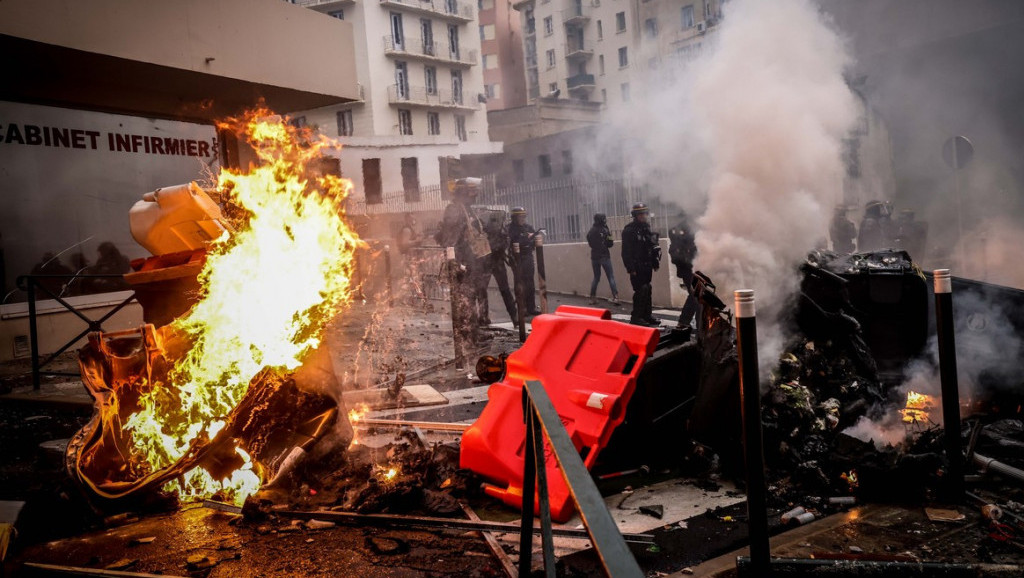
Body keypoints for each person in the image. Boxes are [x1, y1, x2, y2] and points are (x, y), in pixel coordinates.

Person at [436, 178, 491, 345]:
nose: (474, 196)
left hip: (471, 262)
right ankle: (468, 335)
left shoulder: (466, 209)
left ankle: (473, 331)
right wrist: (458, 263)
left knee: (470, 297)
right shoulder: (454, 210)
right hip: (463, 263)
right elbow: (450, 240)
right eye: (471, 192)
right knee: (465, 299)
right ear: (463, 193)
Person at [621, 202, 662, 327]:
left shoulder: (646, 228)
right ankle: (636, 317)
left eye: (645, 213)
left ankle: (647, 315)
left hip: (646, 264)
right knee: (641, 290)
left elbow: (651, 247)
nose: (643, 216)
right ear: (635, 215)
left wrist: (655, 262)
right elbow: (625, 252)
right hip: (636, 265)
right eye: (640, 214)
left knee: (648, 289)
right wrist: (630, 268)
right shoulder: (629, 230)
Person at [481, 210, 517, 323]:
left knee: (483, 290)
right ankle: (514, 316)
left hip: (490, 262)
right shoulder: (500, 232)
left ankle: (484, 317)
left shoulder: (489, 231)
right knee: (504, 290)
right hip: (495, 262)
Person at [508, 207, 542, 316]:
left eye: (524, 216)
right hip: (517, 258)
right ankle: (522, 309)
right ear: (514, 217)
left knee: (530, 283)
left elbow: (534, 240)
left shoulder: (528, 227)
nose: (523, 219)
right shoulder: (510, 229)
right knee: (520, 283)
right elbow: (515, 242)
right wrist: (526, 239)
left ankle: (531, 307)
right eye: (520, 217)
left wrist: (531, 239)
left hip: (527, 256)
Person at [668, 214, 698, 329]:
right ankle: (685, 322)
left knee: (696, 295)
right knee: (695, 294)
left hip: (695, 267)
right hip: (688, 268)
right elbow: (677, 255)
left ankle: (686, 322)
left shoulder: (691, 229)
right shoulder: (679, 231)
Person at [586, 213, 619, 305]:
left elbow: (590, 243)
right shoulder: (605, 230)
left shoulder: (591, 231)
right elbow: (610, 243)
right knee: (610, 277)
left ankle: (592, 298)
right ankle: (615, 297)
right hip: (604, 256)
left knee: (596, 277)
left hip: (594, 257)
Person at [396, 213, 426, 304]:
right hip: (409, 258)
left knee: (412, 278)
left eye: (414, 219)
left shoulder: (409, 229)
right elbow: (404, 243)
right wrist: (417, 240)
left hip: (411, 258)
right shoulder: (407, 230)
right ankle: (409, 299)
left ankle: (411, 299)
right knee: (411, 278)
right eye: (412, 219)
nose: (414, 221)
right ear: (407, 220)